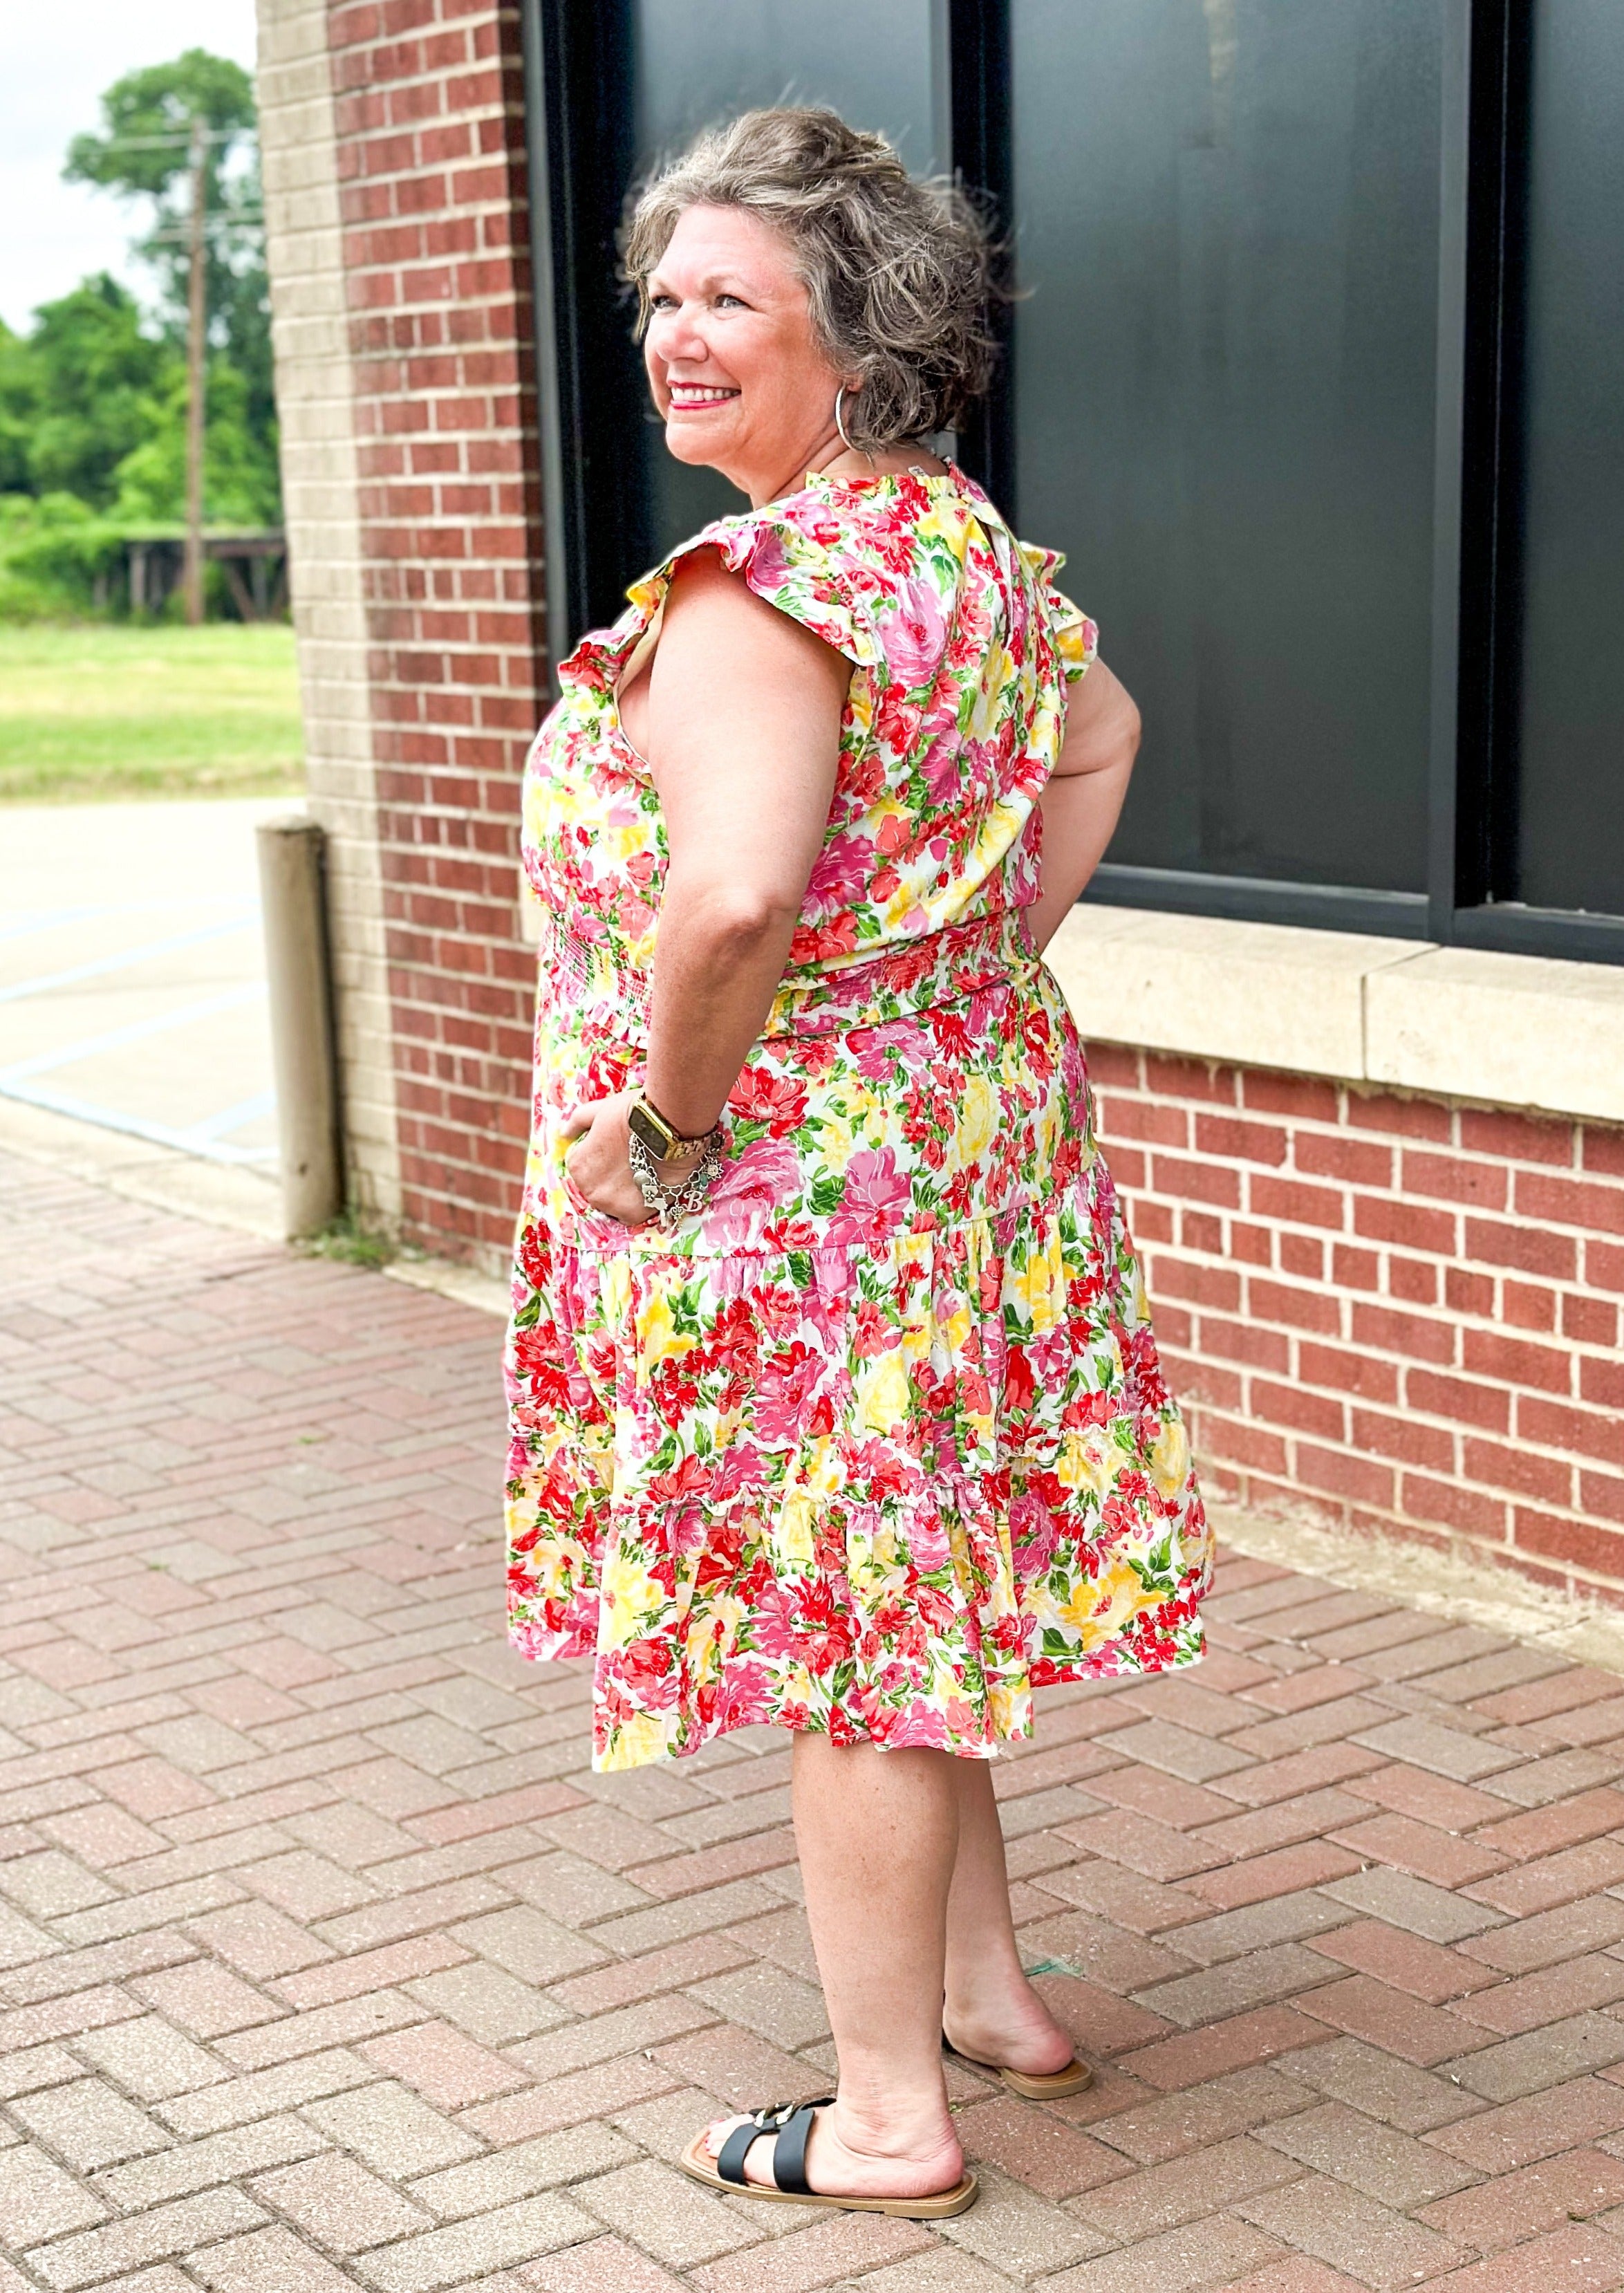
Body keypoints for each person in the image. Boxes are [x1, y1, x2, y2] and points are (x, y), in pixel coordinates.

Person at [504, 105, 1210, 2219]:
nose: (671, 334)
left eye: (729, 296)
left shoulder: (758, 592)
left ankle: (888, 2114)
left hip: (810, 1206)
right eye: (658, 296)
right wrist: (962, 970)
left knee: (850, 1633)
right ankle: (993, 1993)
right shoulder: (961, 551)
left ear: (855, 332)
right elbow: (1100, 737)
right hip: (954, 1155)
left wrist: (667, 1125)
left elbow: (726, 909)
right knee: (910, 1596)